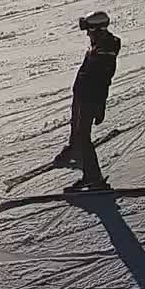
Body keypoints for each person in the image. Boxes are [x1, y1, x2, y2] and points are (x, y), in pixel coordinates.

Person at [53, 11, 120, 191]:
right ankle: (74, 148)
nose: (87, 34)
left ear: (98, 30)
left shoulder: (105, 51)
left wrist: (99, 105)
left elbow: (103, 80)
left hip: (90, 98)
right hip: (82, 94)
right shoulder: (99, 44)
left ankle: (93, 177)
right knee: (75, 123)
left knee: (84, 135)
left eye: (89, 30)